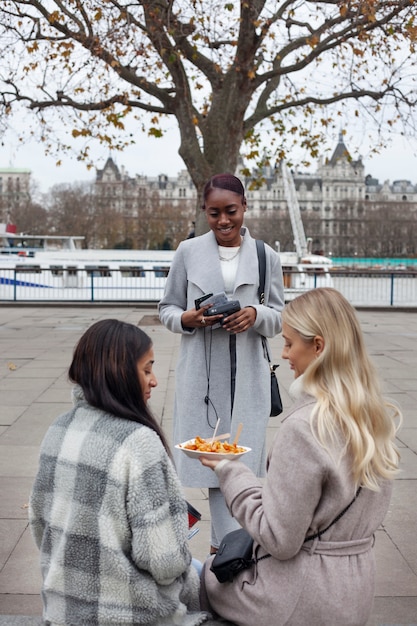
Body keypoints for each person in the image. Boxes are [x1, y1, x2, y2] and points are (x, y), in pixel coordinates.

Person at [199, 287, 402, 626]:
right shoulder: (372, 417)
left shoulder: (305, 426)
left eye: (291, 343)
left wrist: (229, 470)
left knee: (195, 577)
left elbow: (280, 539)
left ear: (318, 346)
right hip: (354, 590)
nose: (285, 353)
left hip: (300, 597)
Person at [29, 319, 208, 626]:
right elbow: (163, 561)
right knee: (212, 576)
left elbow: (39, 524)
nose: (154, 381)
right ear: (120, 373)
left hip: (64, 608)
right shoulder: (139, 443)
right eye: (147, 369)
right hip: (132, 613)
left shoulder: (58, 428)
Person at [158, 173, 285, 555]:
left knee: (244, 464)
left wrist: (254, 314)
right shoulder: (187, 252)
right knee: (214, 461)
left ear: (245, 207)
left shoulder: (266, 256)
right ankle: (225, 550)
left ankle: (234, 548)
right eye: (214, 213)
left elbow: (279, 316)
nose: (224, 221)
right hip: (202, 378)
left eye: (231, 211)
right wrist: (189, 320)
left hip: (248, 377)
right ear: (204, 212)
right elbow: (166, 309)